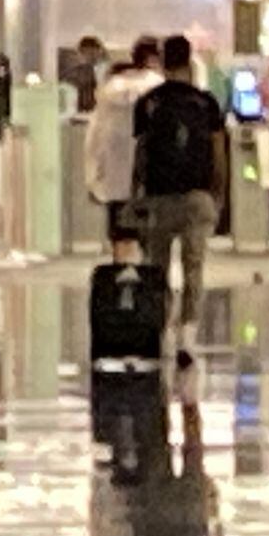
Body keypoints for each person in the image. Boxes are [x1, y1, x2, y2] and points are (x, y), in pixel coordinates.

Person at [133, 35, 227, 368]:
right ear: (190, 62)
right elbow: (217, 151)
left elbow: (141, 154)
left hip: (158, 197)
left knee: (155, 269)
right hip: (196, 197)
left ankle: (161, 331)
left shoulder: (148, 103)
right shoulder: (206, 103)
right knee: (194, 267)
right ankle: (188, 333)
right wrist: (218, 193)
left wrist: (137, 195)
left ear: (162, 61)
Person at [86, 37, 162, 261]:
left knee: (120, 231)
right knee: (150, 233)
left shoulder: (109, 91)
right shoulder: (157, 87)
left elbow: (96, 136)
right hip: (149, 177)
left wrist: (93, 175)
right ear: (152, 59)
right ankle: (149, 278)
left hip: (115, 177)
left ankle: (121, 274)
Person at [62, 35, 106, 111]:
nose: (94, 56)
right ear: (81, 53)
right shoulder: (74, 73)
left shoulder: (103, 71)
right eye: (90, 53)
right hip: (79, 111)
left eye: (96, 53)